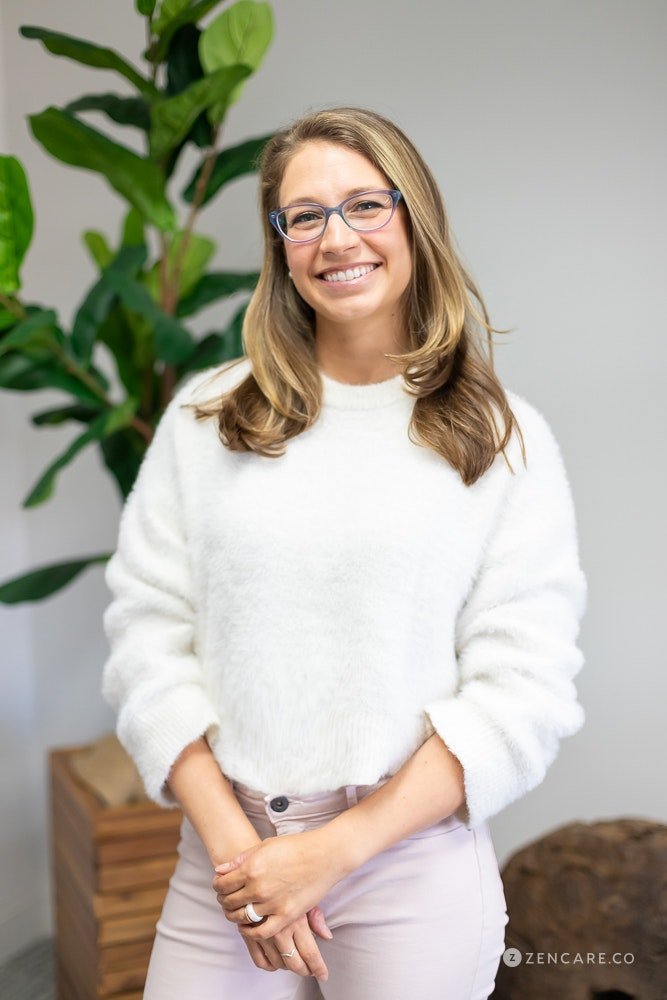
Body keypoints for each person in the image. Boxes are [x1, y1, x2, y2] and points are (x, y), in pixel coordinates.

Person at [101, 105, 587, 1000]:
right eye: (305, 216)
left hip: (406, 866)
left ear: (414, 219)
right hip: (226, 860)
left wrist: (332, 852)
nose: (337, 238)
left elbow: (522, 690)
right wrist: (242, 852)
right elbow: (145, 642)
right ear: (280, 244)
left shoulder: (502, 438)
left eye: (366, 205)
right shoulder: (207, 420)